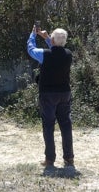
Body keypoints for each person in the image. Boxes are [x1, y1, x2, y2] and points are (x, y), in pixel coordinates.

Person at [27, 25, 74, 170]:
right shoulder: (68, 54)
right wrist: (47, 38)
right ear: (64, 41)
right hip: (64, 93)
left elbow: (30, 49)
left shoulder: (44, 54)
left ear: (53, 40)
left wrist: (33, 35)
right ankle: (69, 159)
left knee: (48, 126)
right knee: (66, 126)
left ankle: (49, 159)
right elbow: (57, 50)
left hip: (48, 94)